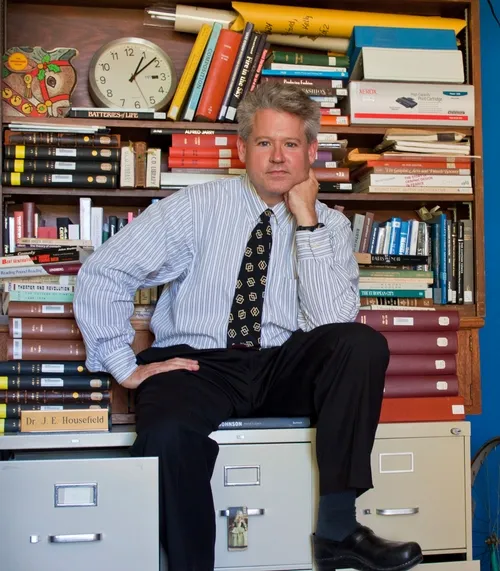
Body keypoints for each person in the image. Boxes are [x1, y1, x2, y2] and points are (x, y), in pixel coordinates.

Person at [73, 82, 423, 571]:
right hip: (199, 367)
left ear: (311, 152)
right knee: (167, 434)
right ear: (242, 149)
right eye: (264, 142)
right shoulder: (195, 206)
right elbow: (105, 270)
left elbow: (329, 324)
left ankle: (338, 530)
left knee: (359, 343)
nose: (278, 157)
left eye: (291, 144)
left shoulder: (331, 225)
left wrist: (306, 221)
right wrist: (123, 365)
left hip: (282, 366)